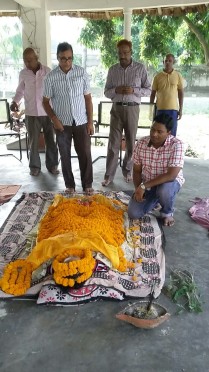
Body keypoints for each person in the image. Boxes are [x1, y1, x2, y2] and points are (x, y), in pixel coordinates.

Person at [42, 42, 94, 194]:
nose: (67, 62)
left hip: (81, 121)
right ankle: (69, 185)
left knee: (85, 153)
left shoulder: (81, 73)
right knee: (64, 155)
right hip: (61, 124)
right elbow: (45, 102)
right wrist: (54, 119)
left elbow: (88, 99)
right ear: (57, 58)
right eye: (63, 58)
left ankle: (87, 185)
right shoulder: (51, 77)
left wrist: (90, 122)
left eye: (70, 58)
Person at [101, 39, 151, 187]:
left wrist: (134, 90)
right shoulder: (113, 70)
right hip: (116, 109)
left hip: (132, 109)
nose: (122, 55)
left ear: (131, 52)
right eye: (120, 53)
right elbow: (106, 91)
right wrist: (116, 90)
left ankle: (127, 170)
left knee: (130, 143)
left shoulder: (140, 69)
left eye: (125, 52)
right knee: (113, 144)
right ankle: (109, 175)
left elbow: (148, 90)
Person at [128, 113, 185, 227]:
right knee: (133, 213)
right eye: (152, 129)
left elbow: (171, 176)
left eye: (160, 132)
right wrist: (139, 189)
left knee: (164, 191)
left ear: (168, 133)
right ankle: (155, 200)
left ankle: (167, 212)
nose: (154, 134)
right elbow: (137, 171)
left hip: (168, 183)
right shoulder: (141, 143)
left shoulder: (177, 145)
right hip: (148, 183)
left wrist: (143, 186)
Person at [10, 47, 59, 176]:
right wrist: (15, 102)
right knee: (33, 142)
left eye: (30, 60)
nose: (27, 63)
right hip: (31, 113)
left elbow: (54, 91)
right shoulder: (23, 73)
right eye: (25, 60)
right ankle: (34, 167)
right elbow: (20, 91)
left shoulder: (48, 71)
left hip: (48, 112)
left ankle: (52, 165)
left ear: (37, 59)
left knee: (50, 140)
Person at [150, 53, 184, 136]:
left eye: (170, 61)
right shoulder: (157, 77)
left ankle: (171, 149)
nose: (167, 62)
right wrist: (151, 109)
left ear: (173, 62)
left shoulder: (178, 75)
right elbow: (152, 94)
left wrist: (181, 109)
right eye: (166, 61)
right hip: (160, 109)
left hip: (173, 110)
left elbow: (181, 93)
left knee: (172, 133)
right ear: (163, 62)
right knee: (159, 133)